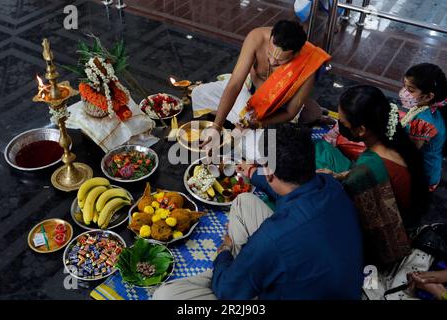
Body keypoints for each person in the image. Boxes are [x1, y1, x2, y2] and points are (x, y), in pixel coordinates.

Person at [153, 123, 364, 300]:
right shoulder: (328, 183)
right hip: (331, 282)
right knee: (244, 201)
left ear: (270, 170)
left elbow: (227, 293)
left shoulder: (273, 236)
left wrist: (224, 252)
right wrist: (252, 172)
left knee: (165, 295)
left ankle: (237, 270)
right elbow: (287, 190)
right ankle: (241, 269)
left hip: (279, 285)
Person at [315, 85, 428, 267]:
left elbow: (360, 219)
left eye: (343, 124)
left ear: (361, 130)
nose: (339, 127)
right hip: (407, 216)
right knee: (322, 150)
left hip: (383, 243)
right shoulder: (397, 141)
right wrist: (342, 175)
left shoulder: (366, 171)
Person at [193, 20, 332, 150]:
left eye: (279, 61)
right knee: (199, 94)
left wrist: (260, 123)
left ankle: (240, 121)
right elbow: (235, 84)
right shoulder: (256, 38)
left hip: (276, 109)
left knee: (257, 149)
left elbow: (290, 112)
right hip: (249, 92)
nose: (272, 61)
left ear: (296, 54)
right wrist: (216, 126)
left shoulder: (307, 65)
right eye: (270, 54)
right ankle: (238, 120)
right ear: (271, 36)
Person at [399, 63, 447, 191]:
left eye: (410, 90)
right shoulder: (435, 105)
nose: (405, 92)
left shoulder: (423, 122)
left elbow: (410, 153)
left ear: (429, 96)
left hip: (423, 177)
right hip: (432, 165)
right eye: (405, 86)